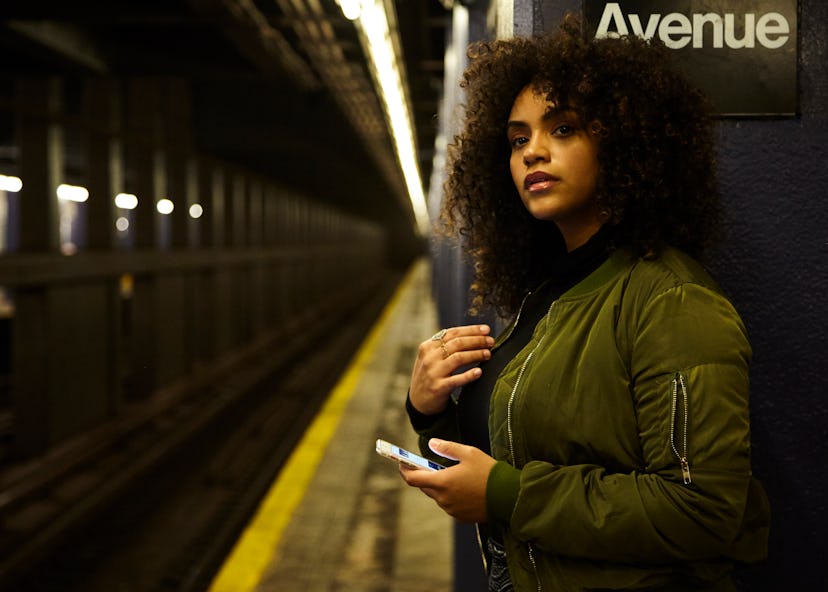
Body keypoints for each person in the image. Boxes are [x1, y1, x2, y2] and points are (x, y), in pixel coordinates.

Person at [401, 15, 770, 592]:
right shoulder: (547, 294)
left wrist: (507, 495)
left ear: (622, 143)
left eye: (564, 129)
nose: (532, 153)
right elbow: (506, 456)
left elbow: (703, 510)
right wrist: (429, 412)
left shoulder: (671, 300)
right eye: (518, 138)